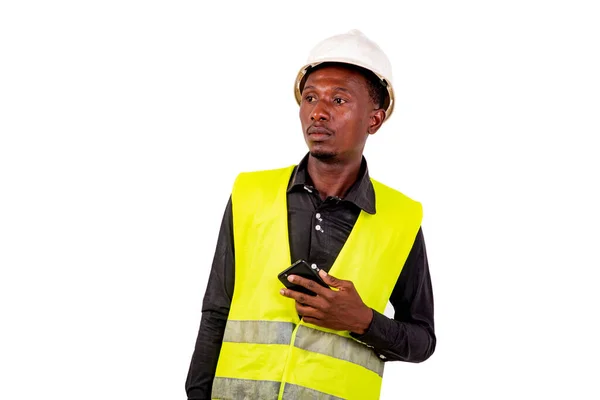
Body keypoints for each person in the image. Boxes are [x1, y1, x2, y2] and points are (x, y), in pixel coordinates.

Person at [186, 29, 436, 400]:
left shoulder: (399, 218)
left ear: (375, 119)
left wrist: (362, 321)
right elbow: (216, 312)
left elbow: (422, 339)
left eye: (338, 100)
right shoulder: (250, 194)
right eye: (310, 98)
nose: (318, 112)